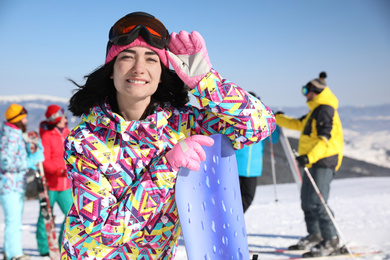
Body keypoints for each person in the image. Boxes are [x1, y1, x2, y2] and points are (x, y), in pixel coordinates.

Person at [61, 11, 276, 260]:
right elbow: (104, 232)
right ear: (112, 70)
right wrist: (167, 167)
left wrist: (206, 82)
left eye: (151, 59)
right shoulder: (84, 140)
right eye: (127, 57)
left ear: (162, 72)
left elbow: (260, 125)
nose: (139, 68)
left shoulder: (183, 124)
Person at [274, 72, 344, 257]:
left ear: (315, 91)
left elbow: (325, 140)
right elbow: (299, 124)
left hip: (323, 161)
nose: (304, 94)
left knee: (317, 202)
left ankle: (332, 241)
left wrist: (309, 157)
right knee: (307, 201)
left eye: (306, 90)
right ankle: (316, 235)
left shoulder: (325, 109)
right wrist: (277, 118)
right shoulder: (316, 110)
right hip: (313, 161)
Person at [0, 104, 44, 260]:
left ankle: (11, 251)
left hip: (15, 184)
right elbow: (6, 163)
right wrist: (29, 162)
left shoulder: (15, 134)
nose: (26, 121)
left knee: (16, 220)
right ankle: (14, 254)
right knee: (13, 221)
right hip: (8, 185)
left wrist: (31, 150)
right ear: (17, 120)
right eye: (23, 118)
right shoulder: (9, 137)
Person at [35, 105, 73, 257]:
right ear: (56, 119)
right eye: (62, 117)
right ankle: (44, 247)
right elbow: (44, 160)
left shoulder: (68, 133)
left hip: (65, 185)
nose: (65, 119)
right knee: (46, 216)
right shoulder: (47, 136)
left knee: (71, 214)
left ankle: (61, 244)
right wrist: (57, 171)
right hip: (51, 184)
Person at [236, 92, 280, 213]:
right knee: (239, 198)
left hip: (251, 169)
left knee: (246, 198)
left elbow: (273, 139)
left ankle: (232, 221)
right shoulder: (239, 119)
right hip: (237, 166)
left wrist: (273, 122)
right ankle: (230, 222)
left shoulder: (263, 122)